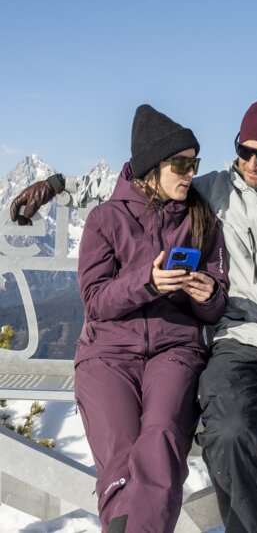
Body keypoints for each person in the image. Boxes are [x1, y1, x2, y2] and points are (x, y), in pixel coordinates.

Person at [10, 94, 257, 533]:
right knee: (227, 432)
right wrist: (59, 184)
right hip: (241, 343)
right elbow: (139, 182)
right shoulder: (217, 187)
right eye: (242, 151)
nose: (250, 164)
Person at [13, 104, 228, 533]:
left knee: (162, 438)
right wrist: (147, 283)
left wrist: (207, 296)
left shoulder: (201, 219)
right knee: (121, 456)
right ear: (152, 166)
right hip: (107, 356)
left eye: (195, 163)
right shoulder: (105, 219)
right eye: (181, 164)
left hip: (175, 351)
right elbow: (95, 301)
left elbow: (216, 302)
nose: (191, 173)